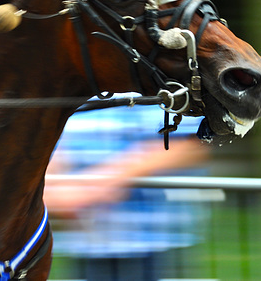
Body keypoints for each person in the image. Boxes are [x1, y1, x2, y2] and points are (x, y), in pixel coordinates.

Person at [45, 95, 211, 281]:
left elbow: (192, 143)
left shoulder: (160, 81)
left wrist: (103, 182)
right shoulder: (83, 87)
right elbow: (58, 148)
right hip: (87, 243)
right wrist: (56, 189)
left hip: (153, 243)